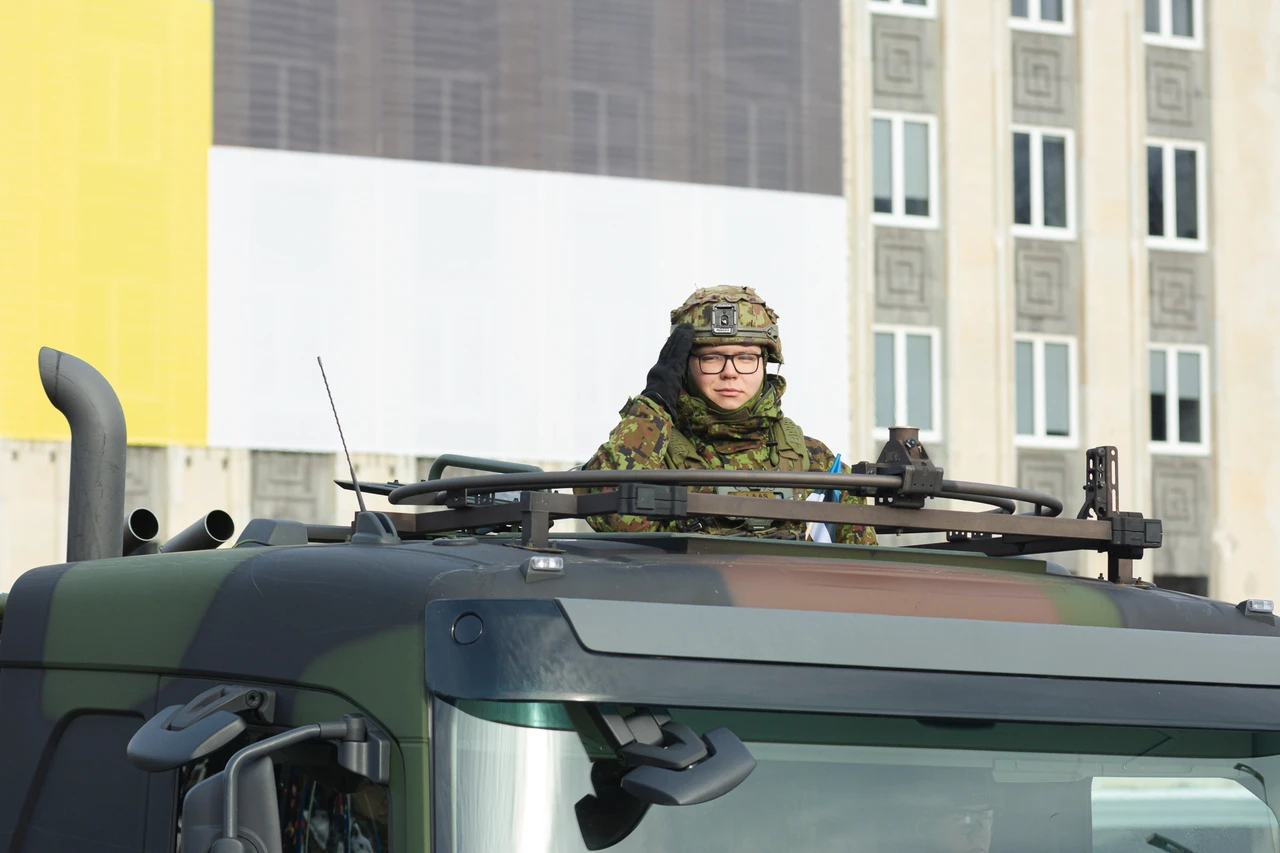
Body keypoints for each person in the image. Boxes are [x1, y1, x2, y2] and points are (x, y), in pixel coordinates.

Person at [580, 285, 876, 544]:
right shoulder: (653, 453)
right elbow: (613, 517)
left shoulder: (814, 462)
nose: (730, 372)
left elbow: (864, 571)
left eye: (745, 357)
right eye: (712, 358)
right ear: (684, 366)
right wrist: (653, 405)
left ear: (765, 364)